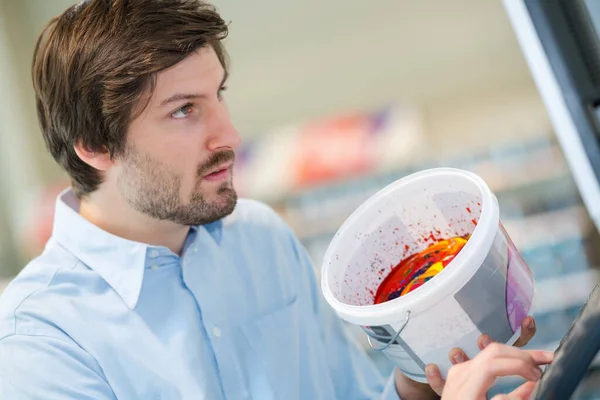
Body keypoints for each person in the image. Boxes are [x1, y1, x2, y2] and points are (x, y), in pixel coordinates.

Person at [0, 1, 545, 399]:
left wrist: (424, 373)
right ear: (96, 146)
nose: (230, 135)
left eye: (219, 95)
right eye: (184, 110)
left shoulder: (259, 238)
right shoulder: (40, 343)